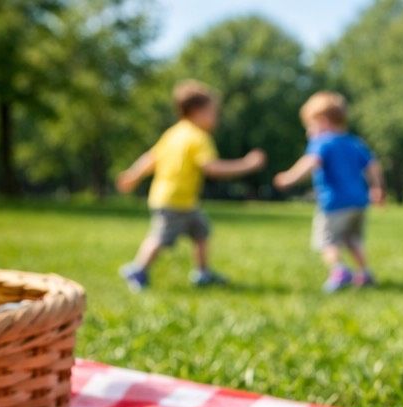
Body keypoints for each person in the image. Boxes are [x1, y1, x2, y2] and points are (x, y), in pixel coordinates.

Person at [116, 80, 266, 291]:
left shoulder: (173, 132)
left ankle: (203, 273)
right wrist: (247, 164)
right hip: (174, 200)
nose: (216, 118)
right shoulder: (198, 137)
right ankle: (138, 270)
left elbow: (151, 158)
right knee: (160, 238)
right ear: (197, 111)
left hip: (179, 199)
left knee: (201, 231)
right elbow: (212, 168)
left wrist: (133, 174)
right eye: (213, 112)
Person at [273, 91, 385, 292]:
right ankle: (364, 272)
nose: (308, 132)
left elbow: (311, 162)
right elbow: (373, 166)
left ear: (322, 121)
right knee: (353, 240)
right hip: (359, 202)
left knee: (327, 241)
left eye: (310, 126)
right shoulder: (354, 142)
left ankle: (339, 271)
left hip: (334, 203)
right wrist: (377, 188)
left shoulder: (322, 142)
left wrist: (290, 177)